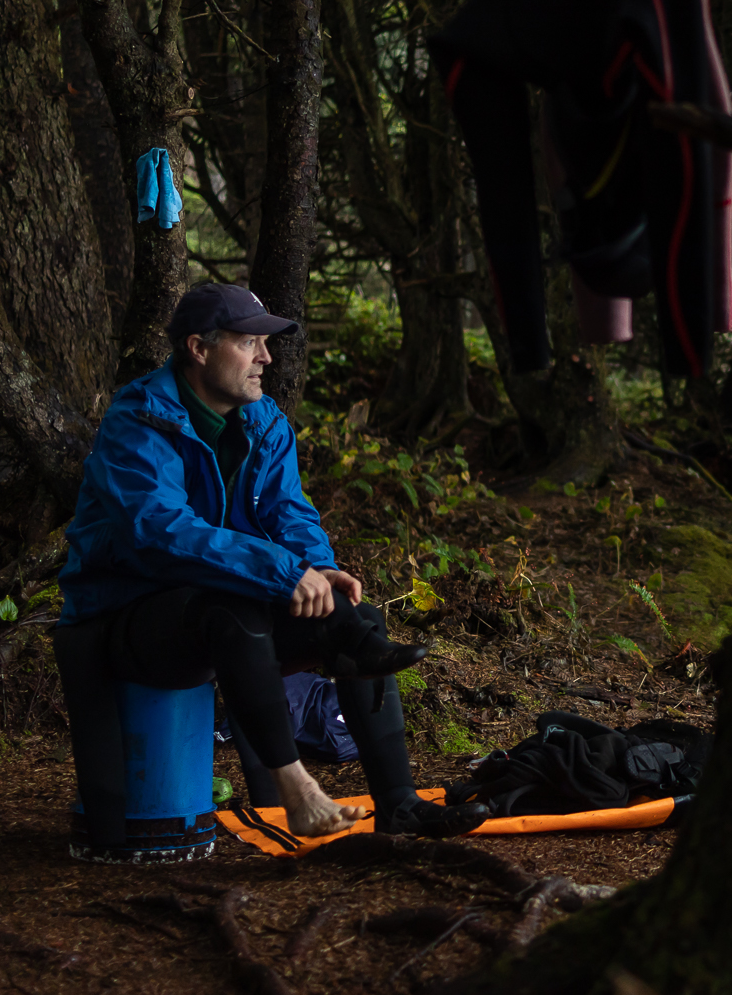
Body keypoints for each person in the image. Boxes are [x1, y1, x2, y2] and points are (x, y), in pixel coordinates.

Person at [55, 282, 484, 839]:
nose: (266, 358)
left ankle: (399, 803)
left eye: (266, 343)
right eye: (248, 343)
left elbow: (289, 512)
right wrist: (281, 573)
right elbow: (157, 531)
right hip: (121, 617)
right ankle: (298, 792)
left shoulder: (263, 421)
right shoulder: (139, 420)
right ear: (198, 348)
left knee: (354, 617)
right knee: (232, 615)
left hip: (222, 601)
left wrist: (317, 567)